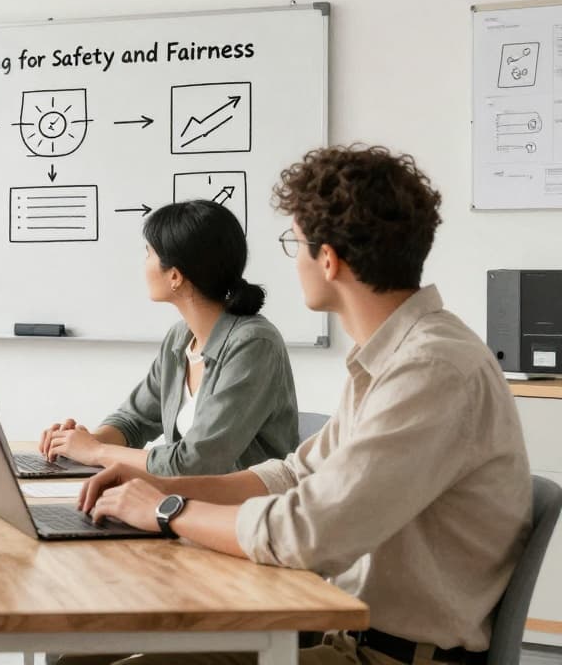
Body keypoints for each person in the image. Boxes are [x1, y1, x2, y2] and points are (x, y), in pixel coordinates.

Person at [68, 145, 532, 665]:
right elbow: (294, 474)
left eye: (296, 243)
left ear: (328, 258)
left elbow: (305, 534)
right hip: (334, 632)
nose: (295, 260)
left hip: (385, 657)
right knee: (79, 657)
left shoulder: (431, 371)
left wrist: (166, 510)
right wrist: (161, 486)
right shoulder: (391, 358)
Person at [39, 199, 299, 476]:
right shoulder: (181, 338)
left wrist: (97, 453)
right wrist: (79, 443)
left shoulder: (254, 344)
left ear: (175, 276)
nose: (144, 263)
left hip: (245, 512)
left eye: (148, 253)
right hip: (186, 501)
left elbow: (196, 461)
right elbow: (134, 421)